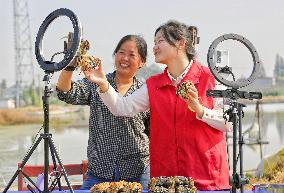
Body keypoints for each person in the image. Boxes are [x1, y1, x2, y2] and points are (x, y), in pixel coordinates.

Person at [82, 20, 232, 190]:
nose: (154, 47)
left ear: (181, 43)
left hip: (207, 179)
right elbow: (122, 107)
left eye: (160, 41)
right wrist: (103, 84)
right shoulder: (153, 84)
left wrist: (199, 109)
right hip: (166, 182)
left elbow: (229, 123)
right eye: (154, 42)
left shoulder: (211, 78)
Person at [56, 35, 150, 190]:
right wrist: (71, 63)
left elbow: (154, 132)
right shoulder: (96, 81)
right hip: (99, 171)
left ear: (142, 62)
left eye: (132, 55)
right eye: (121, 52)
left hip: (137, 171)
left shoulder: (145, 90)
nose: (125, 58)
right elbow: (65, 92)